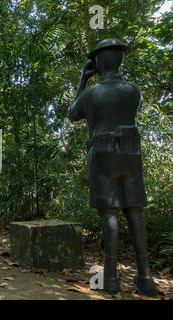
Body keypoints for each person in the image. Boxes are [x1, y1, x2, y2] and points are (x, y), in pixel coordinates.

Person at [67, 38, 157, 296]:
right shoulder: (133, 91)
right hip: (130, 154)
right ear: (120, 60)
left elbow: (73, 114)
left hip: (103, 154)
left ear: (97, 62)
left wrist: (83, 80)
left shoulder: (91, 93)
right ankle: (146, 278)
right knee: (135, 213)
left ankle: (111, 280)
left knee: (110, 215)